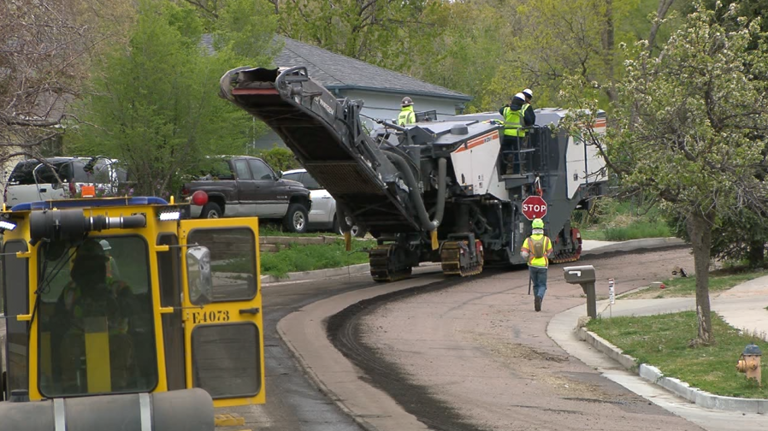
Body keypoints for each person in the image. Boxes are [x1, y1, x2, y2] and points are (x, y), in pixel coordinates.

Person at [520, 218, 553, 312]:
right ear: (542, 227)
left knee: (535, 285)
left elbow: (524, 253)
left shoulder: (528, 240)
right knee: (542, 285)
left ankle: (536, 299)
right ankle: (539, 297)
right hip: (543, 265)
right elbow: (549, 252)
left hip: (532, 265)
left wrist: (528, 258)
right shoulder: (546, 240)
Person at [499, 93, 529, 174]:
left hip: (507, 134)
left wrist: (507, 105)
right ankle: (516, 172)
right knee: (517, 154)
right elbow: (529, 120)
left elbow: (501, 110)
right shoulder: (522, 111)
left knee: (504, 153)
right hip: (518, 135)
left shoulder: (506, 110)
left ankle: (502, 171)